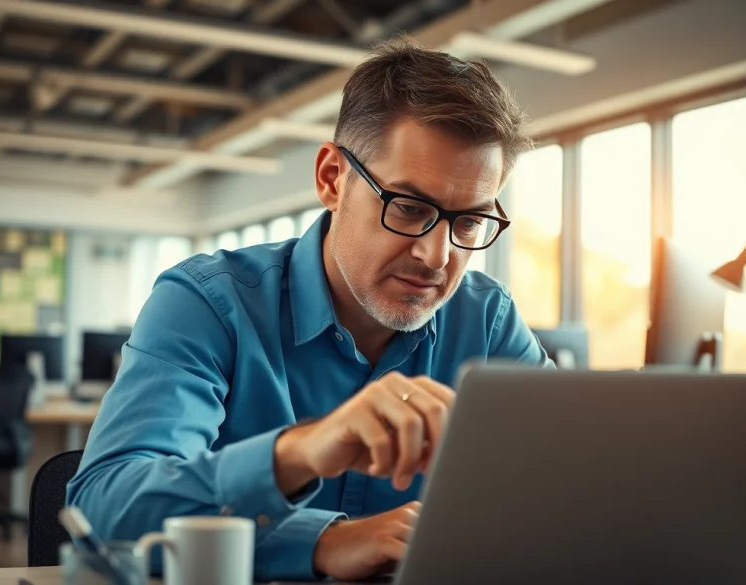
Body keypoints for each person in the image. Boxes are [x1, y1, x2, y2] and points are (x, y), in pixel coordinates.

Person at [66, 38, 553, 582]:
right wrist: (306, 480)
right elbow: (104, 511)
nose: (437, 256)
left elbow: (566, 492)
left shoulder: (487, 321)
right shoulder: (208, 302)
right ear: (331, 179)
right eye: (410, 207)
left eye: (468, 222)